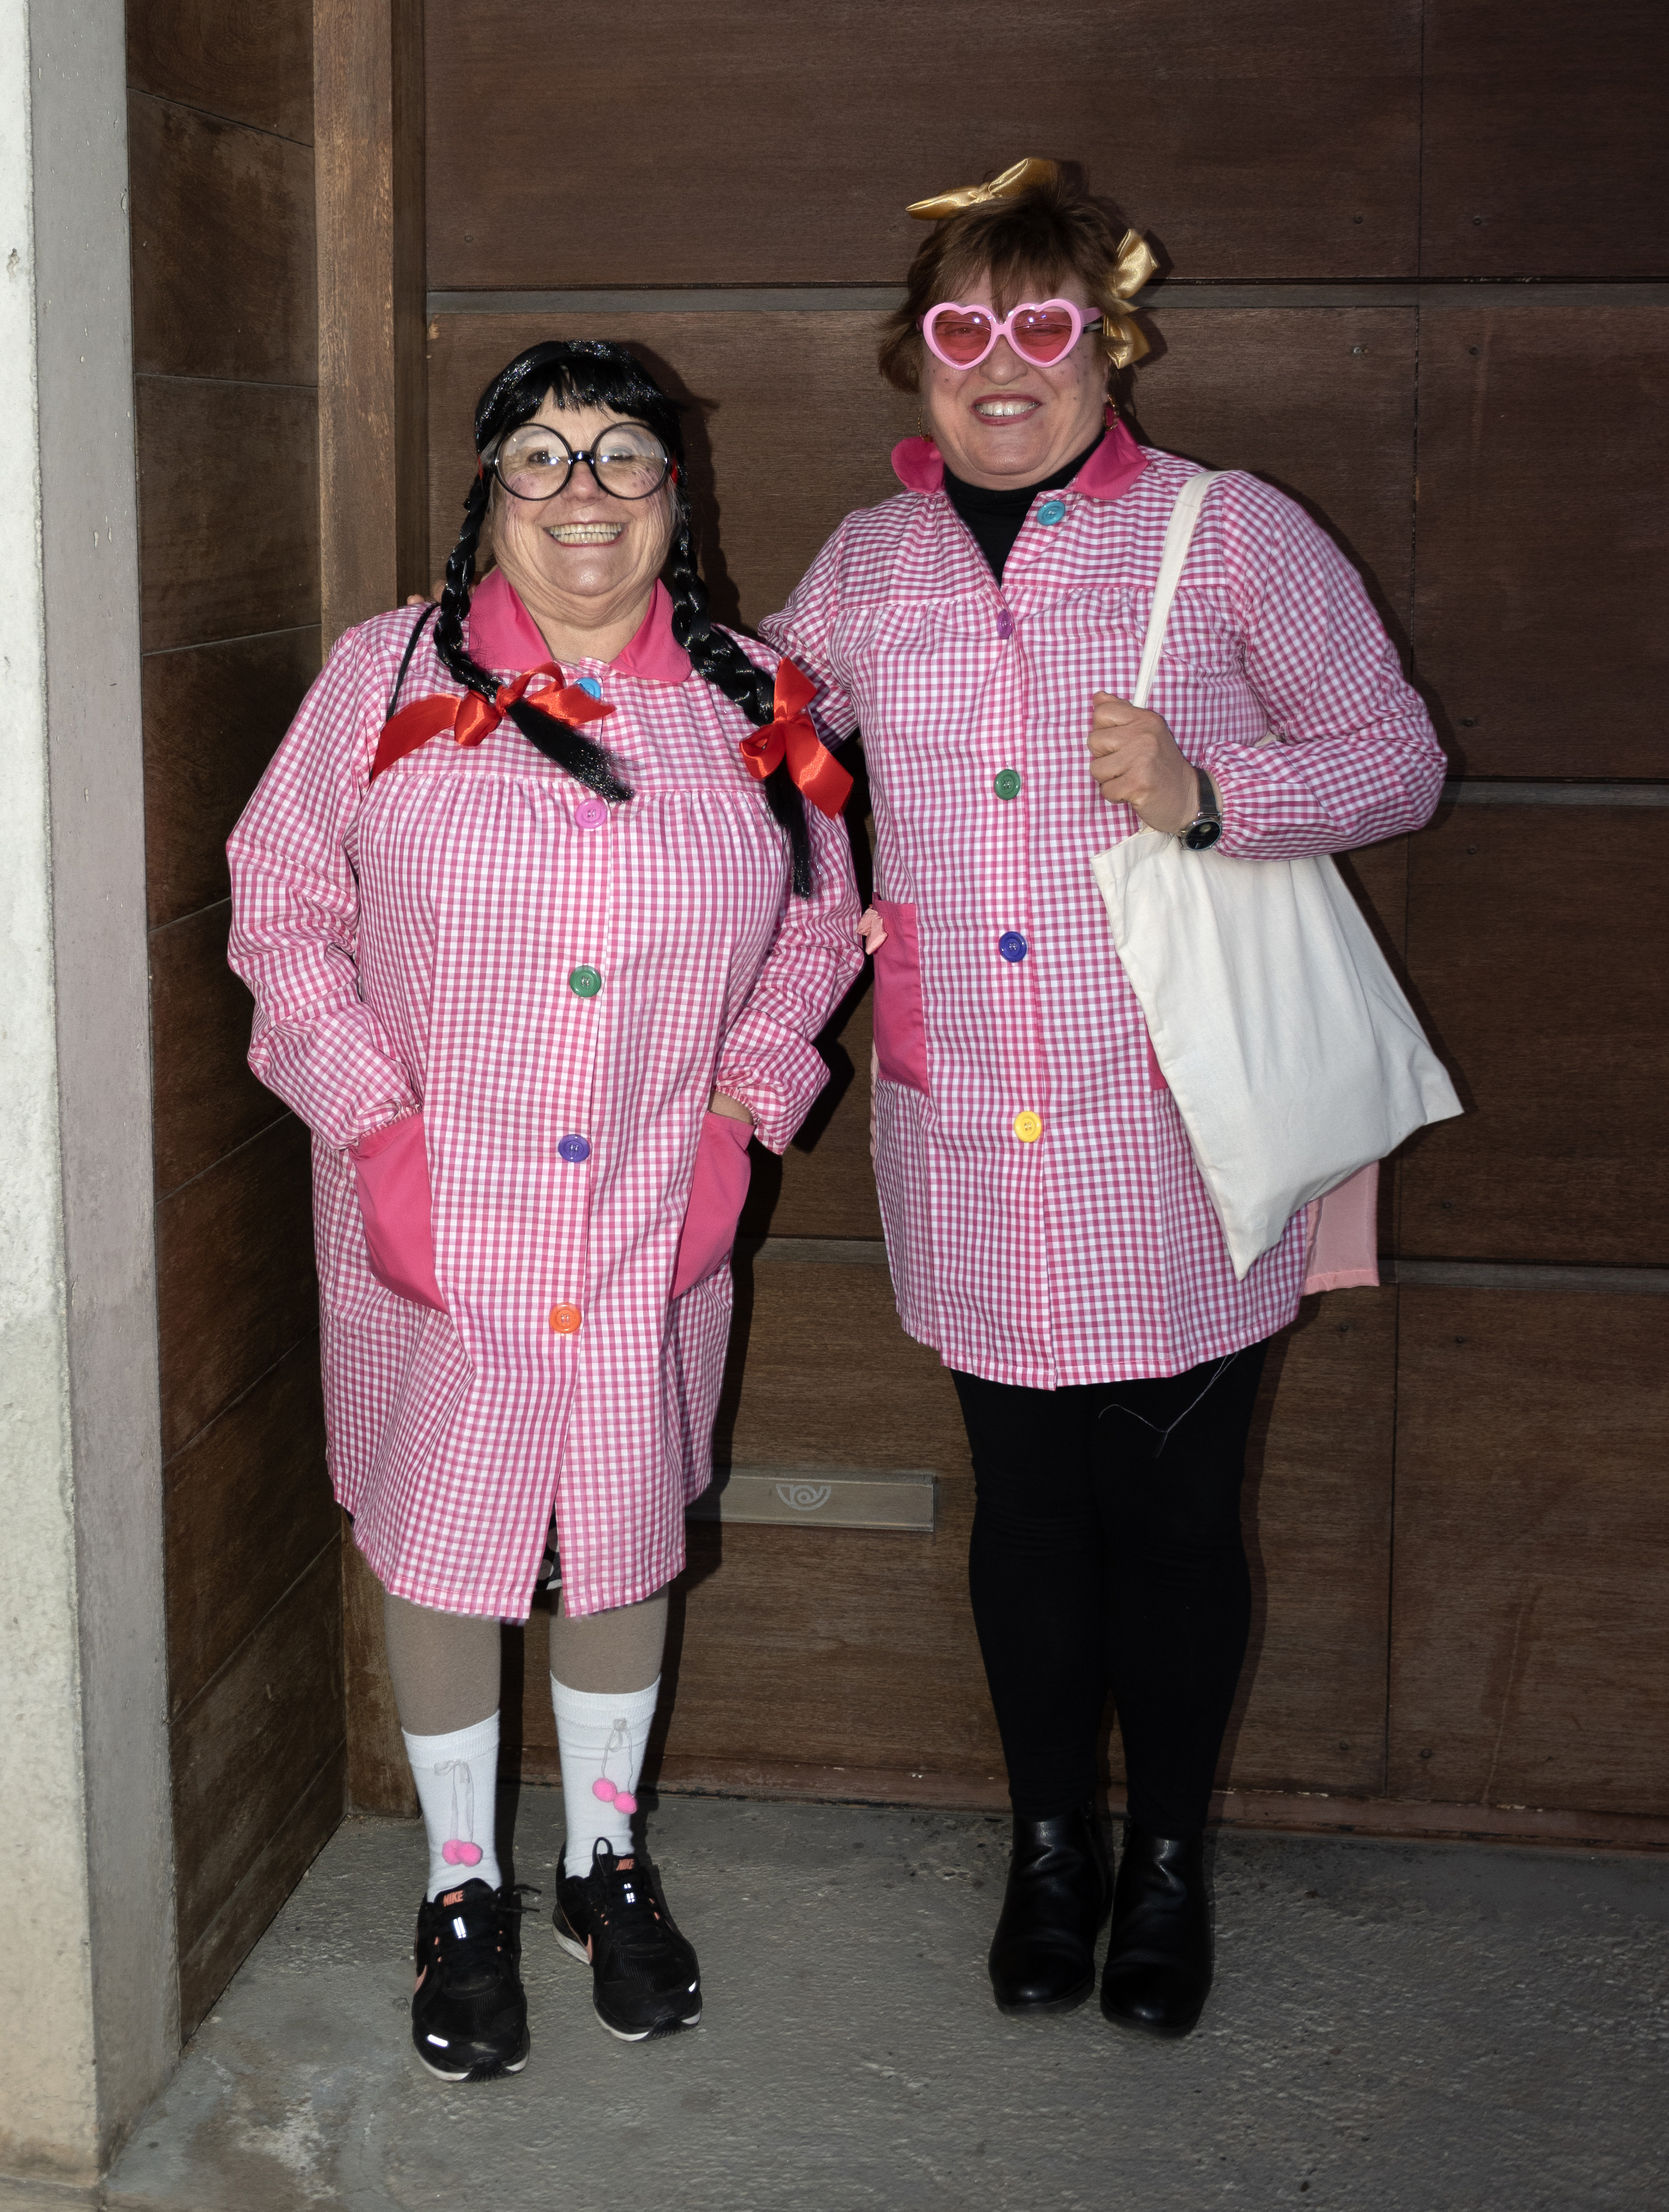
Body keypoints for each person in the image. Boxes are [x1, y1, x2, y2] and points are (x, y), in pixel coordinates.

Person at [760, 160, 1446, 2039]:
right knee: (1026, 1514)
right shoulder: (870, 563)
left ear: (1109, 344)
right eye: (964, 326)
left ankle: (1169, 1867)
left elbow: (1396, 757)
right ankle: (1051, 1850)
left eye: (1045, 323)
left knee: (1175, 1514)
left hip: (1171, 1130)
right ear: (917, 357)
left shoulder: (1230, 535)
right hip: (967, 1124)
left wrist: (1212, 790)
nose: (1005, 363)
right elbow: (765, 751)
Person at [227, 341, 860, 2077]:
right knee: (443, 1535)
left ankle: (601, 1861)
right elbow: (279, 906)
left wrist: (742, 1117)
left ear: (676, 491)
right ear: (489, 493)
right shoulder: (384, 674)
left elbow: (819, 927)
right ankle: (460, 1885)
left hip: (657, 1204)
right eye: (542, 458)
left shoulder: (762, 698)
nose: (585, 495)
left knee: (621, 1527)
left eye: (623, 455)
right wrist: (378, 1130)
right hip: (437, 1208)